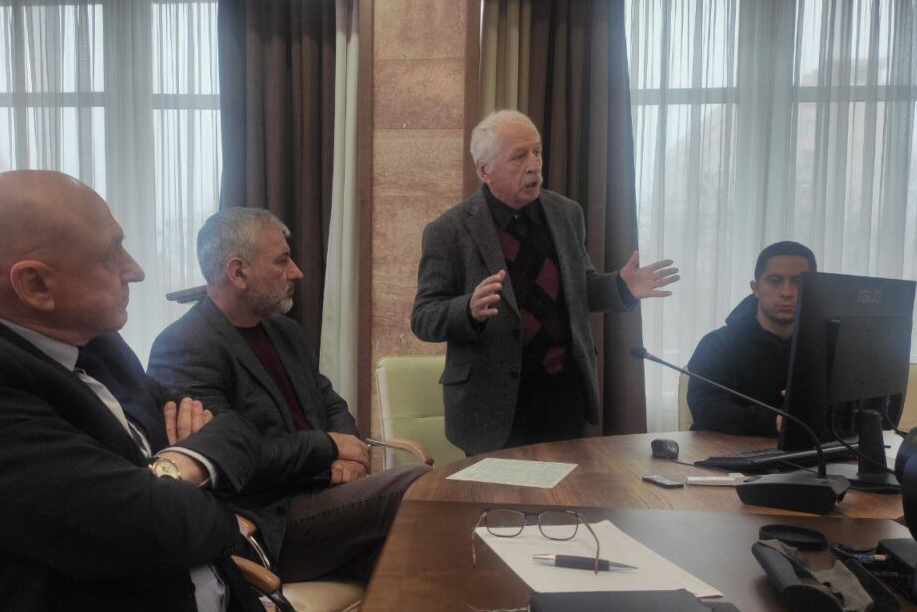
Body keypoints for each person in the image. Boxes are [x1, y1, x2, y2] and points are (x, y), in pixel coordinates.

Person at [0, 170, 341, 612]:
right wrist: (183, 477)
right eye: (112, 252)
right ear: (35, 284)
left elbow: (233, 432)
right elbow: (160, 527)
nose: (136, 269)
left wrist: (174, 469)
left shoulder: (96, 344)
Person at [149, 208, 428, 584]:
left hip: (328, 498)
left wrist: (350, 456)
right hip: (270, 522)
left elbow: (330, 402)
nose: (296, 272)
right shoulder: (185, 346)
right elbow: (232, 460)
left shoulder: (286, 332)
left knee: (423, 561)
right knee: (418, 483)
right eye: (282, 261)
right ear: (238, 272)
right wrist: (328, 446)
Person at [410, 109, 679, 456]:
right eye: (519, 156)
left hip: (563, 393)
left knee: (567, 489)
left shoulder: (566, 213)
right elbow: (424, 316)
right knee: (498, 493)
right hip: (492, 406)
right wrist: (468, 310)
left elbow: (579, 288)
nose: (534, 165)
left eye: (536, 151)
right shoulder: (449, 231)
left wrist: (619, 287)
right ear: (484, 170)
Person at [686, 240, 818, 436]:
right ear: (755, 288)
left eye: (798, 282)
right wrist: (774, 421)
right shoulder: (717, 345)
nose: (787, 293)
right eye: (775, 281)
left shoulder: (825, 345)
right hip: (729, 450)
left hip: (811, 449)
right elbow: (707, 410)